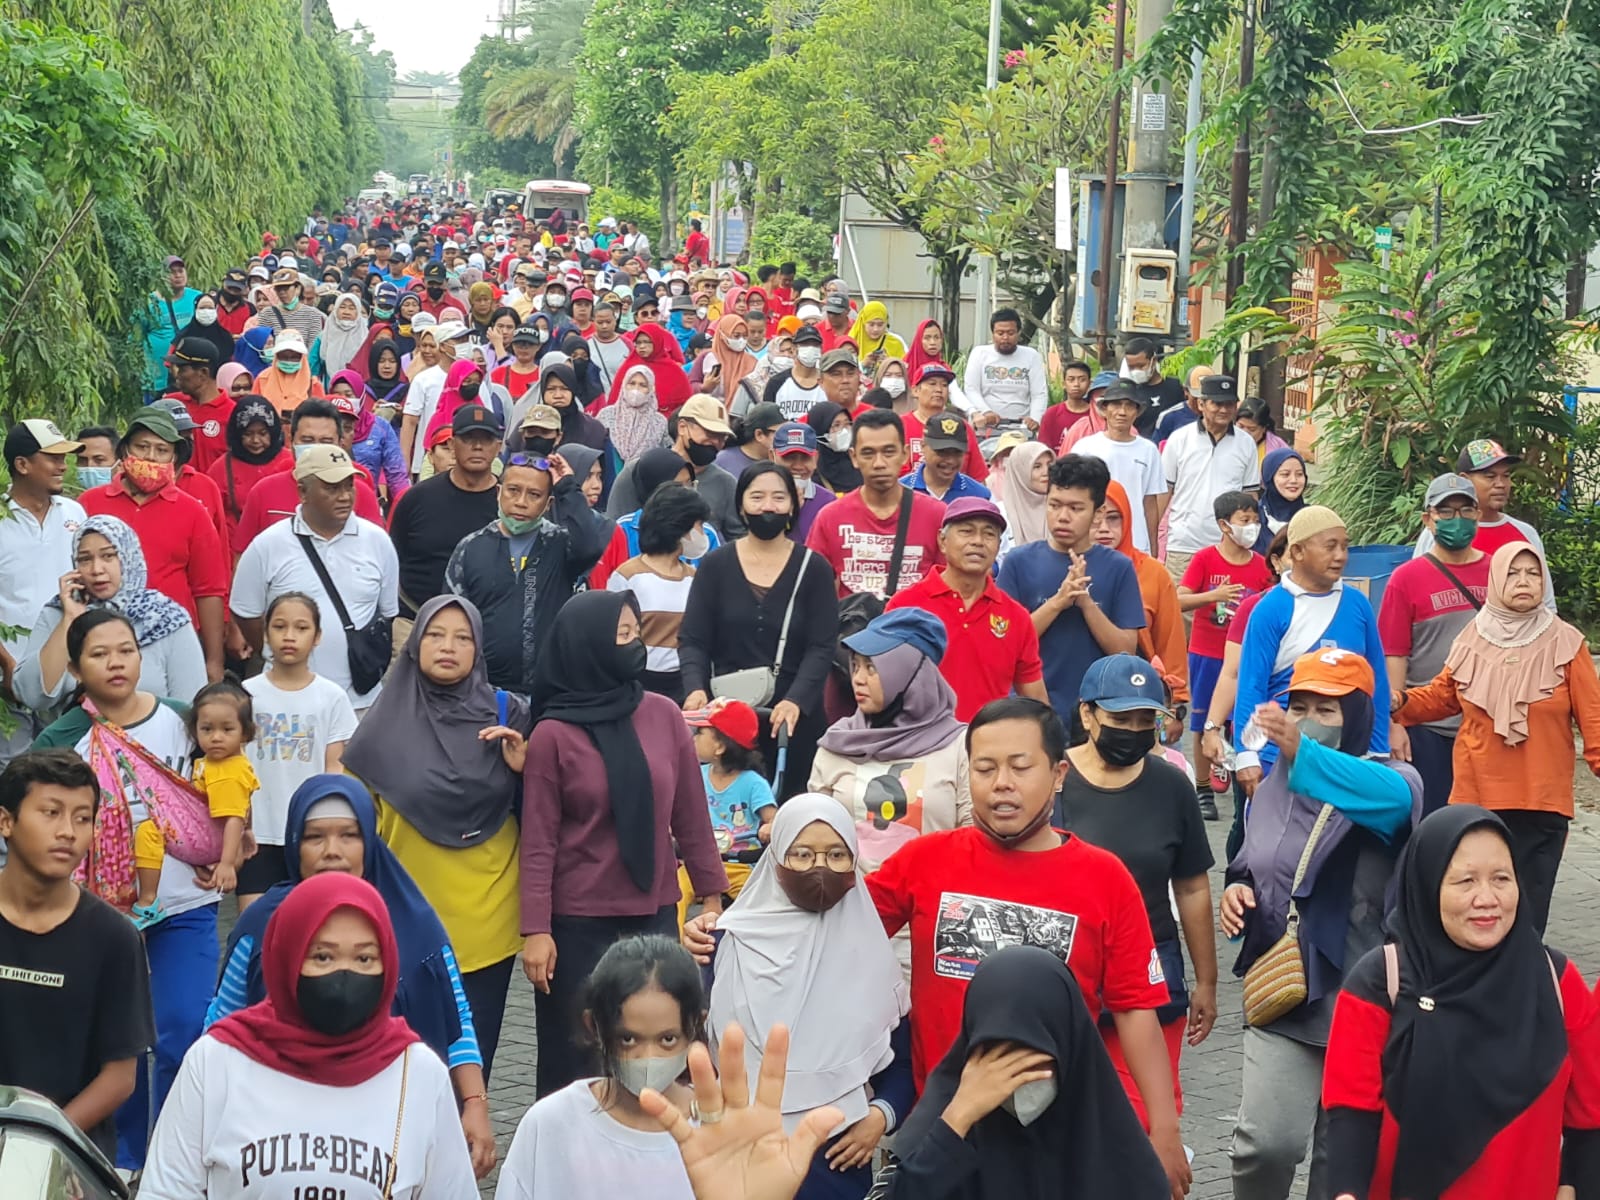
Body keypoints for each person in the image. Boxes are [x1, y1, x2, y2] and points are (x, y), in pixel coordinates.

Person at [682, 697, 1191, 1196]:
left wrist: (1162, 1131)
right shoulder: (925, 861)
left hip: (1057, 1131)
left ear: (1058, 775)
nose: (1002, 785)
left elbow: (1136, 1011)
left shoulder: (1105, 878)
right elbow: (824, 920)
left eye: (1020, 767)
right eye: (985, 768)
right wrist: (721, 931)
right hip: (946, 1129)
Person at [206, 774, 496, 1178]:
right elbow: (220, 1023)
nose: (332, 851)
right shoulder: (260, 926)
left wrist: (475, 1104)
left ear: (370, 842)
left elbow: (457, 1020)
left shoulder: (417, 925)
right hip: (273, 1129)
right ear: (293, 844)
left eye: (348, 835)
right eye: (314, 837)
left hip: (392, 1128)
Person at [1220, 648, 1421, 1200]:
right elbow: (1250, 859)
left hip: (1365, 999)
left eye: (1327, 708)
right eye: (1299, 704)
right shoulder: (1272, 782)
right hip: (1285, 990)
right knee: (1265, 1144)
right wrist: (1236, 888)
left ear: (1358, 715)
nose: (1308, 718)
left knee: (1342, 1163)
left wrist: (1299, 748)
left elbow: (1392, 799)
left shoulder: (1391, 782)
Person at [1321, 805, 1600, 1200]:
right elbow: (1352, 1114)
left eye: (1501, 878)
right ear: (1427, 884)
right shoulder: (1381, 982)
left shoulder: (1557, 981)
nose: (1486, 898)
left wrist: (1573, 1184)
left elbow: (1590, 1119)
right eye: (1465, 881)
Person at [140, 873, 479, 1198]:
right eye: (322, 956)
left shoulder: (417, 1071)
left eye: (364, 958)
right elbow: (166, 1190)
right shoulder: (217, 1061)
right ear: (286, 957)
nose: (344, 974)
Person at [32, 610, 220, 1170]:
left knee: (183, 1026)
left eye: (126, 649)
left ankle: (182, 1155)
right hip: (102, 916)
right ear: (74, 668)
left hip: (185, 904)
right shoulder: (62, 739)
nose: (116, 663)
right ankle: (128, 1160)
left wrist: (230, 848)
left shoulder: (189, 722)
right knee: (122, 1043)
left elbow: (226, 794)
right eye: (99, 654)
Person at [521, 590, 729, 1096]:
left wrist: (712, 898)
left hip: (653, 911)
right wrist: (535, 930)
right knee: (577, 1057)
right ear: (587, 645)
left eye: (636, 633)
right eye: (621, 635)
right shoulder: (553, 734)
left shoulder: (662, 716)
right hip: (577, 924)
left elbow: (691, 817)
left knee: (654, 1054)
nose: (633, 645)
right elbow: (539, 839)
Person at [343, 596, 530, 1080]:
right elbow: (355, 832)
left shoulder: (508, 714)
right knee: (405, 1063)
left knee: (474, 1061)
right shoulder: (379, 730)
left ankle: (466, 1151)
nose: (448, 647)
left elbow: (547, 815)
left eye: (463, 637)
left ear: (479, 648)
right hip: (404, 916)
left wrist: (526, 771)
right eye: (435, 634)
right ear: (415, 644)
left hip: (488, 915)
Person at [707, 796, 913, 1200]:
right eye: (801, 854)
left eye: (837, 854)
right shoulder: (725, 945)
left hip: (835, 1159)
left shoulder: (870, 955)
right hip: (737, 1153)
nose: (820, 866)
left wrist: (880, 1116)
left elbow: (903, 1060)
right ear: (777, 856)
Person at [1394, 541, 1600, 934]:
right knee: (1477, 915)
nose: (1524, 581)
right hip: (1475, 801)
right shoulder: (1473, 638)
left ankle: (1520, 993)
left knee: (1526, 920)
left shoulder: (1567, 643)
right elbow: (1441, 698)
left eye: (1533, 573)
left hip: (1540, 804)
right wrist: (1397, 703)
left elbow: (1594, 722)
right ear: (1494, 580)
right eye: (1513, 573)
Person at [880, 947, 1173, 1200]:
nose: (1016, 1077)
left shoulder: (1120, 1158)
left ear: (1068, 1046)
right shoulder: (938, 1136)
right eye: (998, 1055)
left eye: (1032, 1057)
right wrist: (957, 1118)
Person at [1059, 655, 1216, 1127]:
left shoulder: (1171, 786)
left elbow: (1191, 887)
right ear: (1087, 714)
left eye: (1144, 720)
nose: (1132, 730)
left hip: (1151, 972)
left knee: (1146, 1119)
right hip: (1064, 973)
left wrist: (1206, 980)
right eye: (1120, 719)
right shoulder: (1051, 780)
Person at [0, 749, 154, 1162]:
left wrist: (35, 1145)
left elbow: (120, 1077)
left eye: (82, 818)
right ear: (6, 821)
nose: (67, 831)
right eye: (50, 812)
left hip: (66, 1153)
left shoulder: (115, 938)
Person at [495, 936, 707, 1200]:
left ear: (696, 1025)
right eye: (628, 1039)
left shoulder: (722, 1126)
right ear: (594, 1027)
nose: (648, 1058)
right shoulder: (552, 1123)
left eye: (667, 1039)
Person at [680, 464, 840, 797]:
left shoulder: (814, 569)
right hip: (727, 721)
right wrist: (695, 688)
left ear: (792, 505)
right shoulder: (715, 566)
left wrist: (797, 700)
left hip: (794, 723)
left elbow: (822, 645)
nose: (768, 506)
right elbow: (693, 639)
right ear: (741, 505)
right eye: (757, 497)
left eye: (778, 497)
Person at [1233, 506, 1391, 796]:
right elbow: (1251, 684)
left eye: (1345, 546)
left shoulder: (1358, 605)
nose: (1341, 555)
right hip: (1279, 756)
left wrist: (1378, 751)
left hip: (1347, 759)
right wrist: (1246, 754)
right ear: (1298, 551)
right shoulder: (1270, 609)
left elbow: (1377, 682)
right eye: (1330, 547)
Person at [230, 444, 399, 711]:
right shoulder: (268, 545)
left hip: (360, 704)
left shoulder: (378, 541)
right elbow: (245, 612)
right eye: (332, 488)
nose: (344, 496)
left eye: (348, 486)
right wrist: (275, 650)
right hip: (286, 703)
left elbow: (386, 614)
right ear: (303, 492)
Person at [445, 450, 610, 696]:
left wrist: (567, 487)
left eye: (534, 495)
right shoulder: (471, 547)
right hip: (482, 690)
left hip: (549, 690)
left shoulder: (559, 544)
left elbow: (590, 545)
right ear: (499, 492)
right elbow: (452, 616)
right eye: (513, 490)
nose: (521, 502)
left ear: (548, 504)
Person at [80, 407, 227, 680]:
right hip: (101, 639)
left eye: (162, 450)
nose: (150, 456)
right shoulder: (90, 503)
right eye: (142, 446)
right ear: (125, 451)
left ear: (174, 457)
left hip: (172, 641)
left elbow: (208, 590)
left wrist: (214, 660)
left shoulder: (193, 511)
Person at [809, 608, 973, 849]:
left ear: (908, 673)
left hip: (930, 884)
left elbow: (972, 833)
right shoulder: (838, 743)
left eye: (871, 668)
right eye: (855, 666)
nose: (858, 678)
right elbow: (816, 833)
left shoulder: (960, 745)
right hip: (851, 887)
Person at [1378, 472, 1490, 815]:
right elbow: (1394, 654)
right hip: (1427, 730)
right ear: (1429, 519)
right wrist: (1395, 723)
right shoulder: (1406, 579)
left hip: (1487, 728)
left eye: (1465, 511)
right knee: (1432, 825)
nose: (1457, 520)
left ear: (1478, 515)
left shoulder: (1498, 571)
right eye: (1446, 512)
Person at [235, 593, 357, 907]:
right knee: (256, 929)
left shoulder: (331, 697)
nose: (289, 636)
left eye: (301, 628)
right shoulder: (246, 695)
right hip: (257, 835)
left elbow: (336, 770)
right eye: (280, 626)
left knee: (314, 921)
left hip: (310, 833)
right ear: (265, 633)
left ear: (317, 637)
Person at [996, 455, 1142, 715]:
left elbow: (1125, 650)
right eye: (1054, 505)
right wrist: (1057, 603)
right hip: (1031, 708)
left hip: (1098, 711)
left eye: (1075, 508)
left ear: (1098, 513)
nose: (1062, 517)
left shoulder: (1119, 567)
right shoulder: (1018, 562)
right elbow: (1004, 642)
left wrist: (1086, 602)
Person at [886, 498, 1046, 722]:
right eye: (967, 531)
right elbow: (884, 687)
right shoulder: (905, 606)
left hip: (989, 747)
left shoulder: (1016, 617)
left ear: (999, 546)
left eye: (989, 534)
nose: (978, 541)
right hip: (919, 745)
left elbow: (1035, 702)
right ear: (942, 541)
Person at [1177, 490, 1275, 819]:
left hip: (1245, 655)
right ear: (1224, 525)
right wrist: (1213, 596)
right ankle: (1203, 786)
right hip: (1207, 653)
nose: (1252, 527)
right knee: (1204, 719)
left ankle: (1236, 771)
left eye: (1255, 521)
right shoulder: (1205, 559)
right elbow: (1179, 599)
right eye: (1244, 521)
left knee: (1241, 718)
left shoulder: (1261, 565)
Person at [131, 681, 255, 925]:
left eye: (227, 729)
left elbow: (234, 817)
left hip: (213, 839)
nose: (216, 737)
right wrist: (248, 833)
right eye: (207, 729)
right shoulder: (222, 763)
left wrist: (228, 863)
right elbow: (245, 805)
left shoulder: (228, 772)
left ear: (246, 733)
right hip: (211, 836)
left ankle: (147, 901)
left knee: (148, 831)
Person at [1091, 482, 1190, 755]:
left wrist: (1174, 709)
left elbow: (1170, 643)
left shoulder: (1152, 574)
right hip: (1087, 706)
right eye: (1095, 517)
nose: (1103, 528)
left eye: (1113, 517)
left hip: (1142, 703)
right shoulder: (1070, 570)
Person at [805, 410, 945, 600]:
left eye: (888, 452)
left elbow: (949, 589)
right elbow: (812, 589)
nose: (879, 463)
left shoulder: (937, 516)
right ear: (854, 457)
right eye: (868, 453)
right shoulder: (830, 518)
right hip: (852, 628)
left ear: (905, 455)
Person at [1, 420, 90, 719]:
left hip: (69, 676)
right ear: (22, 464)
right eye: (53, 458)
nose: (63, 466)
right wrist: (7, 665)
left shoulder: (74, 512)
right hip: (9, 680)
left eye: (64, 458)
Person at [389, 404, 504, 623]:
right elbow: (394, 559)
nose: (478, 446)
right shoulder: (417, 498)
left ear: (498, 447)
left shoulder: (509, 502)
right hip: (415, 620)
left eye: (486, 439)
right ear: (452, 444)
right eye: (469, 438)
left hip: (486, 626)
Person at [1413, 439, 1555, 607]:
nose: (1501, 484)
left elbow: (1546, 602)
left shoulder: (1526, 533)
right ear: (1465, 480)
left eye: (1506, 476)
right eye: (1490, 476)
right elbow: (1417, 590)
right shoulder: (1440, 532)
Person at [231, 398, 385, 553]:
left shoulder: (360, 494)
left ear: (339, 443)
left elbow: (378, 552)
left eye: (326, 441)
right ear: (291, 441)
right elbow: (242, 555)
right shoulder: (263, 492)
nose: (317, 448)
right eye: (307, 440)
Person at [608, 483, 710, 701]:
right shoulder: (627, 575)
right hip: (639, 683)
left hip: (685, 685)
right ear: (680, 526)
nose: (703, 533)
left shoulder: (695, 577)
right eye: (699, 525)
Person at [1159, 374, 1259, 580]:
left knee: (1223, 610)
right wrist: (1152, 538)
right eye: (1217, 403)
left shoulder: (1246, 443)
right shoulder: (1180, 439)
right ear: (1201, 404)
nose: (1224, 410)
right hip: (1184, 544)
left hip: (1227, 546)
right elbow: (1164, 491)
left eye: (1230, 404)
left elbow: (1250, 494)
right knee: (1181, 607)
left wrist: (1246, 537)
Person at [607, 397, 742, 538]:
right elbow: (615, 532)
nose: (715, 442)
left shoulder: (726, 483)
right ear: (682, 427)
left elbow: (737, 539)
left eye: (722, 438)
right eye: (710, 433)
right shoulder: (640, 470)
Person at [1072, 381, 1166, 554]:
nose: (1122, 412)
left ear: (1137, 412)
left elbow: (1150, 502)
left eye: (1129, 406)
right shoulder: (1084, 448)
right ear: (1104, 409)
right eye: (1116, 404)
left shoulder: (1148, 450)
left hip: (1136, 541)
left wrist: (1153, 547)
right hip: (1093, 539)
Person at [205, 396, 294, 550]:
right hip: (237, 552)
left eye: (263, 433)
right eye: (248, 434)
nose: (255, 440)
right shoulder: (221, 468)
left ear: (273, 432)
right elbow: (211, 519)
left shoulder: (291, 461)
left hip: (286, 548)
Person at [961, 309, 1048, 432]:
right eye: (1000, 333)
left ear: (1018, 333)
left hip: (1021, 427)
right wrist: (986, 412)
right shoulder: (979, 354)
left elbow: (1039, 393)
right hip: (986, 425)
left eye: (1010, 333)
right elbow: (971, 389)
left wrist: (1035, 419)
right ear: (993, 333)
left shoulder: (1032, 356)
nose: (1005, 338)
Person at [901, 363, 987, 482]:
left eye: (944, 385)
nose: (939, 390)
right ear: (915, 391)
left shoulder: (961, 427)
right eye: (932, 384)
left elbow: (978, 476)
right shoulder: (900, 426)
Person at [168, 337, 234, 474]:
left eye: (182, 369)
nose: (177, 375)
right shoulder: (171, 405)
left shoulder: (232, 414)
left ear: (203, 373)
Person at [141, 255, 202, 401]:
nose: (178, 275)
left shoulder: (197, 298)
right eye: (172, 272)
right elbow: (136, 337)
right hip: (157, 376)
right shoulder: (149, 303)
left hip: (191, 374)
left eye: (181, 270)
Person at [605, 321, 694, 412]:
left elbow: (685, 406)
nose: (642, 346)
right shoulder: (628, 368)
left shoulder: (674, 370)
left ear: (657, 341)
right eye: (638, 342)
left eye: (647, 342)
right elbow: (614, 402)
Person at [772, 421, 836, 543]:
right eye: (789, 457)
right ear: (772, 456)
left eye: (805, 458)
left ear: (815, 459)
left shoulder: (828, 502)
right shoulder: (760, 497)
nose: (798, 466)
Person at [905, 414, 990, 503]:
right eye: (942, 452)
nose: (950, 460)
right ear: (923, 446)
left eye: (957, 452)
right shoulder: (899, 492)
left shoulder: (979, 496)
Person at [598, 363, 671, 464]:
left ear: (650, 390)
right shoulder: (607, 415)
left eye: (643, 385)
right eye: (632, 383)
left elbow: (665, 456)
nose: (636, 389)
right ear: (624, 385)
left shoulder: (659, 422)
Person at [1118, 336, 1186, 438]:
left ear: (1153, 361)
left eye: (1141, 366)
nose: (1136, 371)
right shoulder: (1130, 392)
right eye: (1131, 367)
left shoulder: (1176, 388)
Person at [256, 328, 326, 417]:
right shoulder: (262, 379)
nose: (289, 360)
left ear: (302, 357)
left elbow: (321, 416)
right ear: (276, 355)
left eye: (295, 356)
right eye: (283, 356)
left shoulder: (313, 383)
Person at [996, 441, 1051, 553]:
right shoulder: (1000, 514)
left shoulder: (1060, 510)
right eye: (1037, 466)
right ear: (1019, 471)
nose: (1046, 472)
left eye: (1050, 465)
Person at [1253, 447, 1307, 554]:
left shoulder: (1312, 516)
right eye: (1285, 474)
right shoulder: (1253, 516)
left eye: (1299, 474)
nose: (1293, 480)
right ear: (1269, 477)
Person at [765, 325, 826, 420]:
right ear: (793, 349)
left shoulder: (828, 383)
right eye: (805, 344)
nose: (810, 349)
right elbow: (767, 421)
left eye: (815, 345)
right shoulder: (777, 383)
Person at [716, 402, 786, 479]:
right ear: (759, 435)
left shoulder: (784, 462)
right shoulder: (723, 461)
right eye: (782, 432)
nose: (786, 438)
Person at [806, 400, 863, 495]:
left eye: (847, 424)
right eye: (836, 425)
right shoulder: (811, 472)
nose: (844, 430)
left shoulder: (858, 464)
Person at [1235, 395, 1291, 466]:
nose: (1245, 433)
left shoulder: (1279, 450)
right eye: (1241, 426)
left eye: (1252, 429)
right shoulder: (1225, 440)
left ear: (1264, 429)